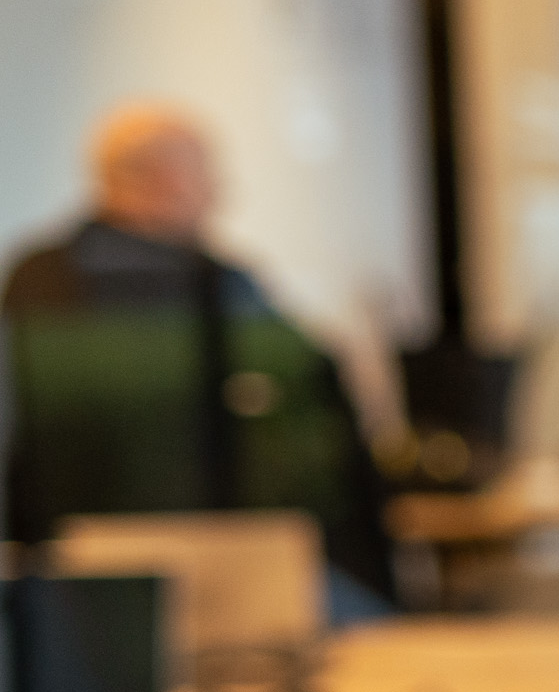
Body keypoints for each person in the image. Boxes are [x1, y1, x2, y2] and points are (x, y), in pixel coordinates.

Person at [4, 103, 392, 602]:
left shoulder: (35, 280)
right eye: (207, 174)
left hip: (67, 581)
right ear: (158, 179)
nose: (219, 193)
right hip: (218, 568)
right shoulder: (215, 289)